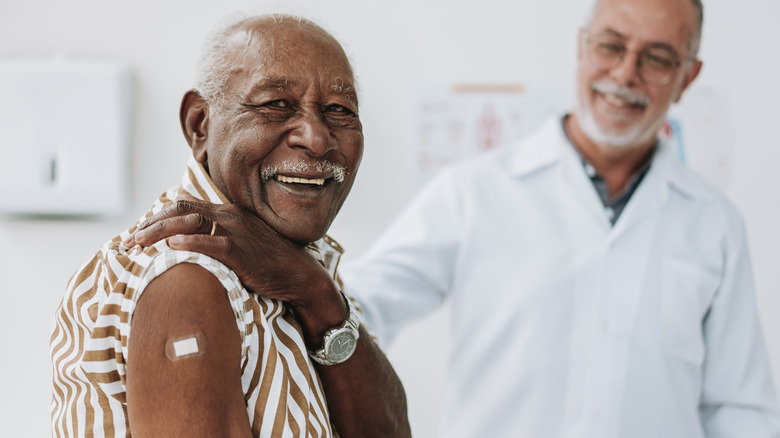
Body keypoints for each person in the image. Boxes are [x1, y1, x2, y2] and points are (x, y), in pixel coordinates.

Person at [129, 0, 780, 436]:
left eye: (657, 57)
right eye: (611, 45)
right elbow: (359, 310)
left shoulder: (714, 225)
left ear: (687, 77)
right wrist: (277, 259)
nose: (625, 73)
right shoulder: (475, 192)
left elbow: (738, 408)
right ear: (583, 48)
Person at [50, 14, 411, 438]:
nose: (316, 138)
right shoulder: (186, 275)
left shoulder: (298, 268)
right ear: (199, 123)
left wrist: (316, 294)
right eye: (277, 104)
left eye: (338, 110)